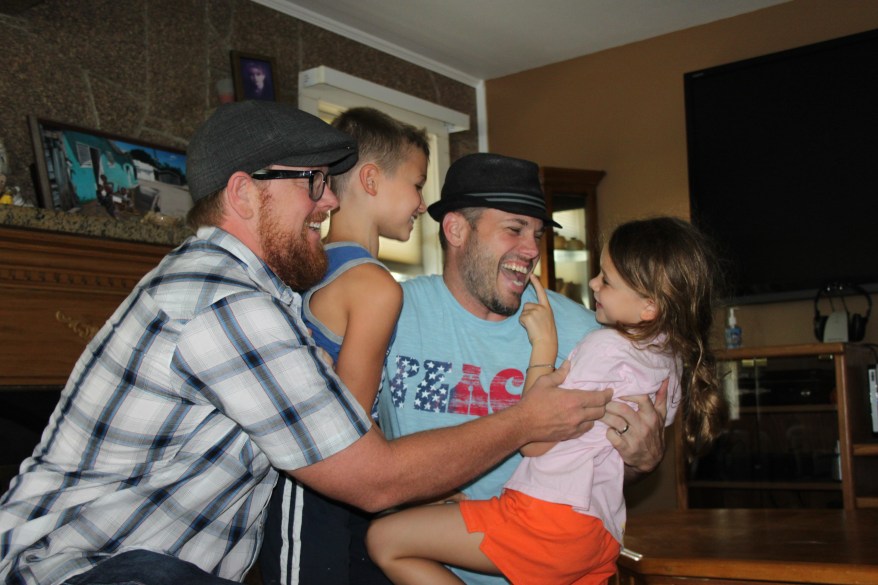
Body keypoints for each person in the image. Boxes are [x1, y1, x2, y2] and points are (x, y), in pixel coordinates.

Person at [0, 102, 613, 585]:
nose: (330, 200)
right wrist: (526, 420)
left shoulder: (264, 296)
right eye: (312, 182)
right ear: (244, 194)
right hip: (81, 567)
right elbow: (372, 476)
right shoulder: (224, 303)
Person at [368, 216, 728, 584]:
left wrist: (544, 344)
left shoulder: (604, 346)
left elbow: (535, 441)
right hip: (600, 533)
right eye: (514, 229)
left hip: (547, 519)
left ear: (649, 307)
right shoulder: (670, 362)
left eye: (606, 280)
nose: (593, 283)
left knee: (384, 540)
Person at [260, 107, 429, 585]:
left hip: (310, 482)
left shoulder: (307, 266)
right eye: (417, 185)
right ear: (371, 180)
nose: (422, 204)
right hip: (317, 494)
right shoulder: (375, 287)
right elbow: (350, 428)